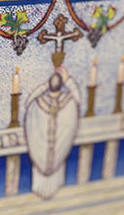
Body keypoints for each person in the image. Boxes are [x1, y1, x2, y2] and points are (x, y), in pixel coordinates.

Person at [23, 65, 81, 199]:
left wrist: (44, 87)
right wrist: (68, 81)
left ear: (49, 85)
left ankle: (41, 190)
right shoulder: (70, 102)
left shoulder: (36, 104)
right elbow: (78, 101)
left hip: (41, 158)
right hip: (57, 158)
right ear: (61, 85)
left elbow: (27, 104)